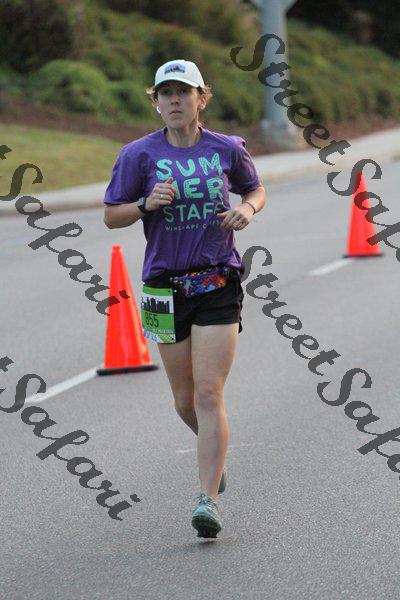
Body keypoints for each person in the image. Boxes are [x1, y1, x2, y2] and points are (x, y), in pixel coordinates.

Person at [103, 59, 266, 539]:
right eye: (166, 93)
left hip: (217, 280)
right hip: (163, 286)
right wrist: (145, 204)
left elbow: (255, 188)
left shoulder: (226, 148)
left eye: (184, 92)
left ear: (201, 98)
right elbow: (111, 216)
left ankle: (206, 499)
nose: (175, 100)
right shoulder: (137, 155)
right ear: (155, 101)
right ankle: (215, 453)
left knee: (209, 392)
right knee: (183, 399)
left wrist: (247, 209)